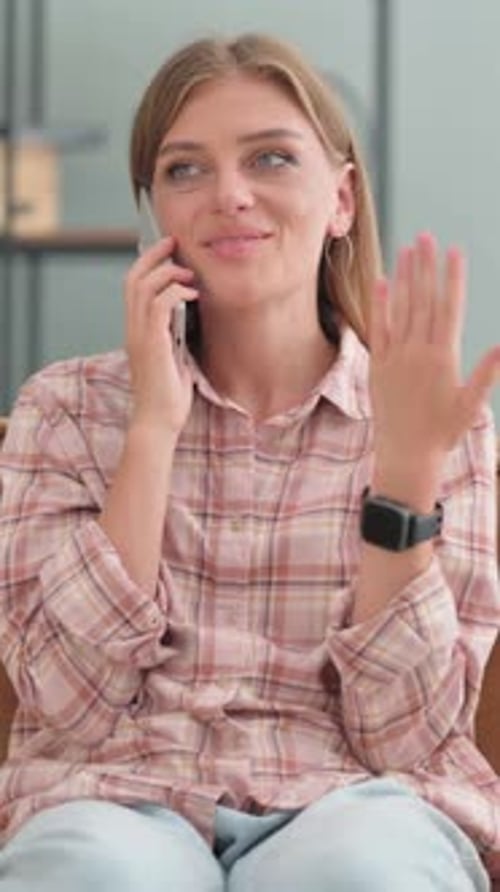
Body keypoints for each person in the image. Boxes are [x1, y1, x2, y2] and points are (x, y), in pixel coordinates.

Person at [0, 31, 499, 892]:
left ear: (341, 199)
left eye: (270, 157)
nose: (228, 195)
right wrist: (154, 425)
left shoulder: (430, 422)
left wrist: (407, 480)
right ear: (158, 212)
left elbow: (406, 737)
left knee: (360, 873)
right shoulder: (66, 411)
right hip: (114, 798)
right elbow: (67, 707)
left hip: (358, 802)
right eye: (184, 169)